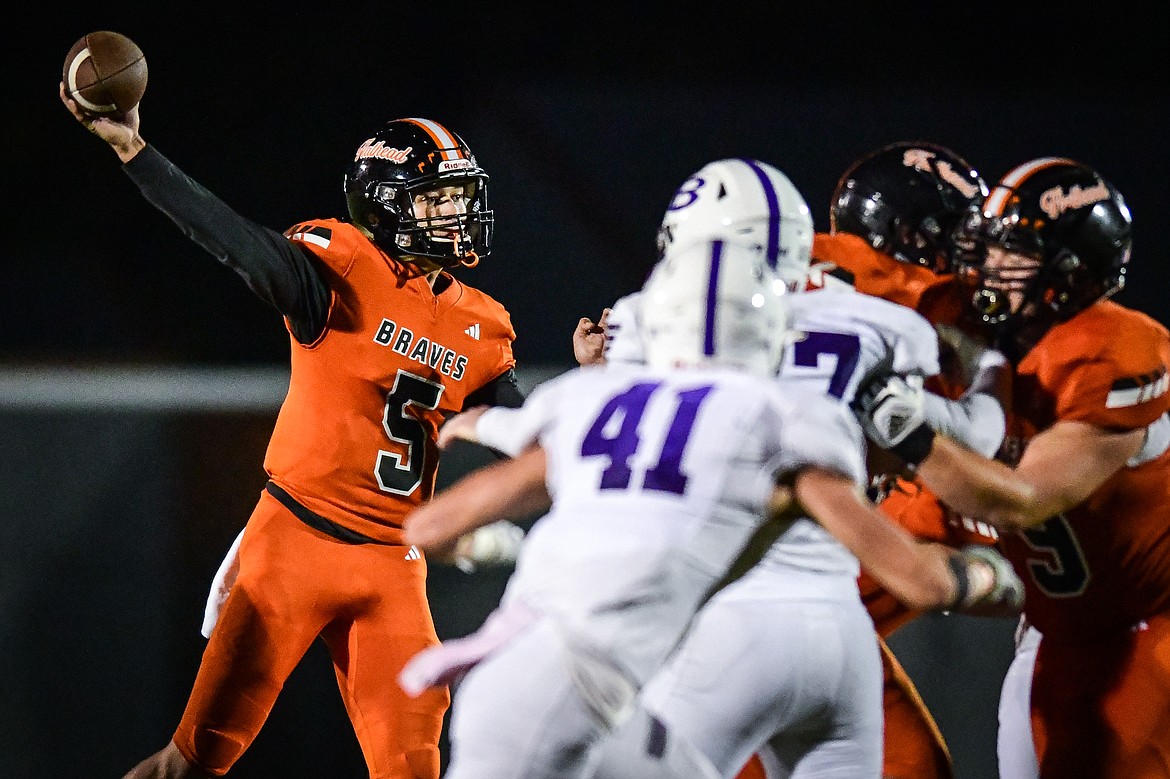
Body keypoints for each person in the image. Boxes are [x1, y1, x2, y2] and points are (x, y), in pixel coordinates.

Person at [403, 159, 1023, 778]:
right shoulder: (799, 402)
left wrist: (493, 491)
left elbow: (453, 510)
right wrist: (987, 576)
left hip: (631, 651)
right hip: (830, 623)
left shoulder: (599, 394)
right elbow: (929, 529)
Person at [60, 84, 525, 779]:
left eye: (458, 196)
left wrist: (598, 378)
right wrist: (135, 150)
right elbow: (233, 241)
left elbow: (530, 434)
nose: (455, 214)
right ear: (385, 203)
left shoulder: (483, 324)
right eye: (435, 199)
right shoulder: (341, 266)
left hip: (393, 565)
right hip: (294, 543)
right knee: (192, 761)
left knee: (414, 768)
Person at [575, 145, 1008, 779]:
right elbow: (972, 437)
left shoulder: (666, 312)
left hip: (703, 589)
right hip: (821, 595)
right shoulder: (899, 307)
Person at [857, 157, 1170, 778]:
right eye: (986, 247)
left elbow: (1025, 497)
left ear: (1071, 269)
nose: (985, 269)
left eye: (1014, 252)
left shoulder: (1116, 348)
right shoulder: (983, 331)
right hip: (1053, 626)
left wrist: (902, 425)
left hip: (1145, 622)